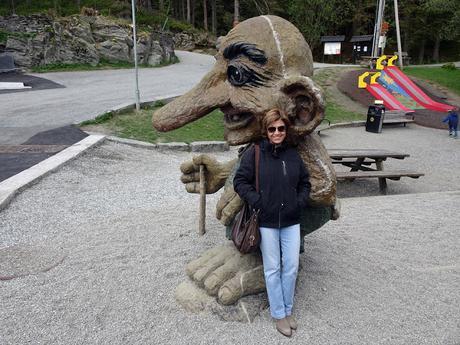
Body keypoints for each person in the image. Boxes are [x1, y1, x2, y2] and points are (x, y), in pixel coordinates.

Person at [233, 109, 311, 337]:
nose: (277, 133)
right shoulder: (255, 153)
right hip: (266, 222)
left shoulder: (293, 154)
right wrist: (258, 201)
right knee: (273, 268)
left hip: (291, 220)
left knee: (292, 266)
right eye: (272, 129)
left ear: (286, 130)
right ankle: (279, 314)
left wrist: (299, 202)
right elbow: (240, 181)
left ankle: (287, 309)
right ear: (266, 131)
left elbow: (305, 182)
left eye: (281, 128)